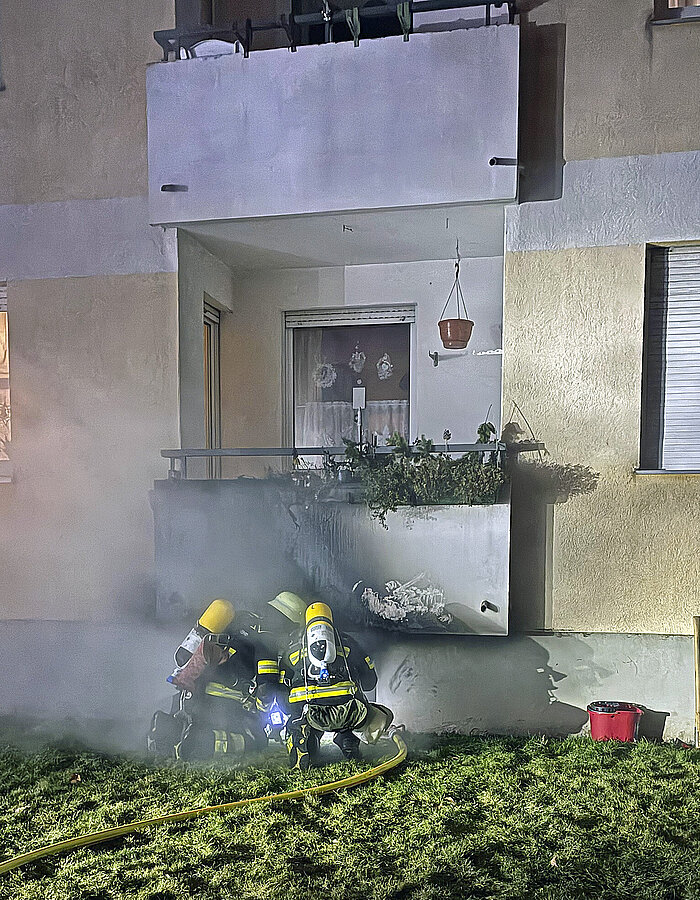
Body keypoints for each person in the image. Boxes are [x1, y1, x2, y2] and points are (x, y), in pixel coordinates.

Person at [148, 592, 306, 761]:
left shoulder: (238, 619)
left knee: (196, 722)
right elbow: (265, 689)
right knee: (256, 739)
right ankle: (200, 743)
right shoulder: (267, 640)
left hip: (191, 694)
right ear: (288, 624)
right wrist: (262, 713)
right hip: (223, 705)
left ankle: (169, 725)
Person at [283, 601, 394, 770]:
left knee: (297, 718)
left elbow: (283, 684)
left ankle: (304, 741)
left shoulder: (292, 649)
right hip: (348, 713)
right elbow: (370, 682)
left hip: (309, 713)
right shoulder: (349, 644)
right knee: (380, 713)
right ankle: (348, 740)